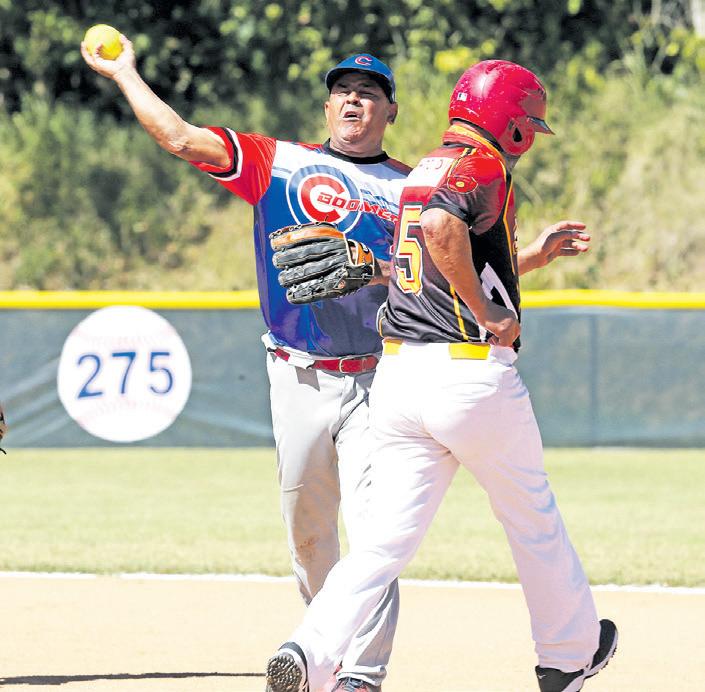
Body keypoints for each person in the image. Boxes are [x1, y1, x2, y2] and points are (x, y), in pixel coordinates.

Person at [82, 38, 593, 692]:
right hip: (298, 372)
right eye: (342, 91)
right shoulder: (279, 163)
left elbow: (443, 268)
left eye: (369, 93)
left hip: (381, 376)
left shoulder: (411, 180)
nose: (353, 100)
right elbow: (181, 138)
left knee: (378, 532)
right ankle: (320, 656)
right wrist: (125, 72)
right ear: (326, 106)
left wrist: (528, 259)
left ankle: (361, 676)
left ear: (391, 111)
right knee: (310, 536)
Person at [264, 60, 617, 692]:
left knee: (381, 543)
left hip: (400, 378)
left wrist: (530, 257)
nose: (529, 137)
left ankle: (309, 651)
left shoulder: (425, 168)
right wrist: (488, 314)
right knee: (532, 519)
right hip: (468, 376)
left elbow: (438, 254)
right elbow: (440, 229)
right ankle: (568, 655)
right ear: (512, 124)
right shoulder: (483, 166)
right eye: (529, 125)